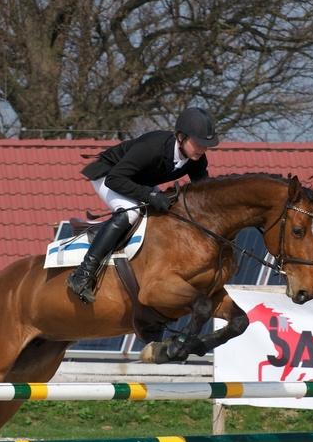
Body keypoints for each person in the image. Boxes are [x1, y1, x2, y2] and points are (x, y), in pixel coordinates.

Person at [66, 106, 219, 303]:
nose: (203, 149)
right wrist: (150, 195)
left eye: (206, 145)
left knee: (169, 213)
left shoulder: (196, 158)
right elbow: (115, 179)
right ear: (181, 137)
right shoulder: (152, 147)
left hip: (138, 180)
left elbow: (204, 192)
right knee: (130, 214)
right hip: (110, 174)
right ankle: (82, 274)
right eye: (198, 143)